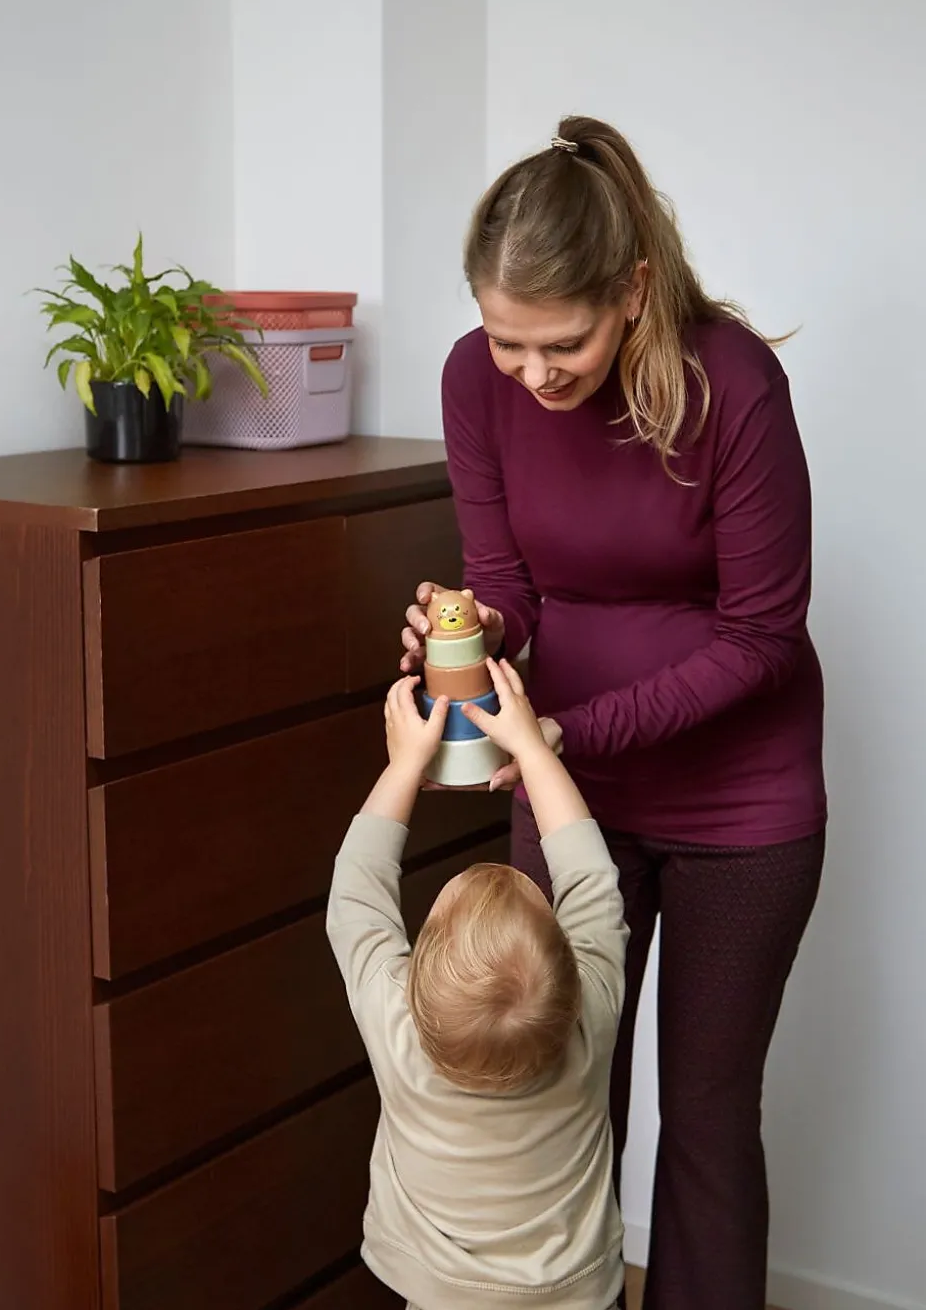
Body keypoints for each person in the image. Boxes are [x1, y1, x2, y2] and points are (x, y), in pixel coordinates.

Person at [400, 117, 826, 1310]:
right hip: (568, 793)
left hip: (740, 803)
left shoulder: (731, 382)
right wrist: (465, 638)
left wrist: (563, 739)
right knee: (558, 1096)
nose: (533, 374)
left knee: (705, 1115)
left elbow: (762, 639)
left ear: (631, 293)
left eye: (563, 344)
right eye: (506, 341)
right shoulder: (472, 382)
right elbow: (511, 590)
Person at [326, 658, 628, 1310]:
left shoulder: (399, 1027)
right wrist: (532, 750)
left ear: (415, 977)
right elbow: (590, 878)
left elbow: (357, 892)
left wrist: (404, 765)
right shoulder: (590, 1019)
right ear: (570, 969)